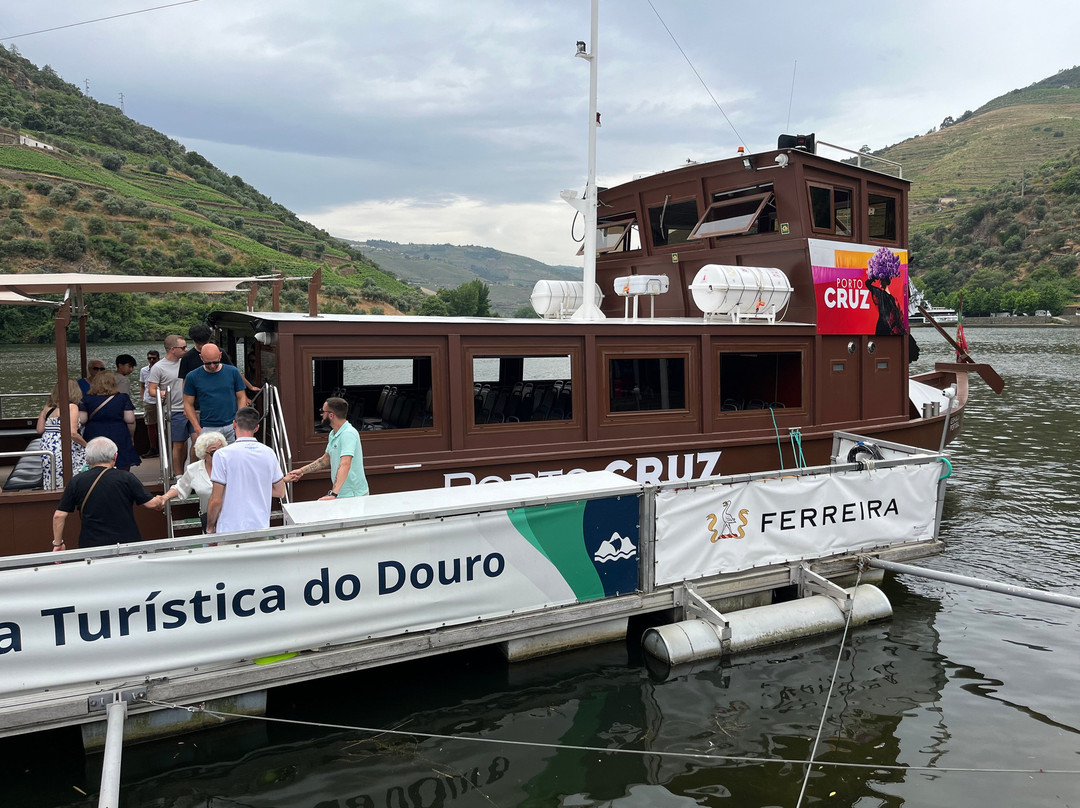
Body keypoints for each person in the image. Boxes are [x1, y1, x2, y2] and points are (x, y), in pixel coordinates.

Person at [51, 437, 164, 551]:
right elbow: (152, 504)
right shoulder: (126, 478)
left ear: (87, 459)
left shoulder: (76, 481)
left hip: (91, 545)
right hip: (127, 542)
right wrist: (162, 498)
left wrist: (58, 544)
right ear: (115, 456)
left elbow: (59, 515)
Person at [206, 407, 285, 534]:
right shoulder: (269, 453)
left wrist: (210, 527)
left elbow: (216, 499)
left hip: (229, 530)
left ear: (234, 424)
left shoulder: (222, 454)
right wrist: (255, 488)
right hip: (260, 527)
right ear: (257, 428)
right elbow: (280, 492)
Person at [284, 396, 369, 499]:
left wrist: (333, 494)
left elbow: (345, 464)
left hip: (354, 495)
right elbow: (325, 460)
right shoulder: (333, 433)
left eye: (322, 411)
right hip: (342, 494)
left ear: (331, 415)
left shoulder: (348, 434)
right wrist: (301, 471)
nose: (321, 414)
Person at [161, 430, 226, 531]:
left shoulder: (232, 466)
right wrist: (165, 497)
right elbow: (180, 487)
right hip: (209, 519)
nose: (219, 455)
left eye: (221, 450)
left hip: (232, 518)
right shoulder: (194, 469)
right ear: (203, 454)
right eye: (214, 452)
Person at [183, 344, 246, 444]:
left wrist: (239, 421)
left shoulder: (233, 372)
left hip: (232, 424)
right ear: (201, 357)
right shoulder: (192, 376)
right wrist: (197, 428)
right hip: (208, 426)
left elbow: (241, 397)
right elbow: (187, 403)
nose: (212, 366)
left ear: (220, 355)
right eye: (208, 363)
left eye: (215, 362)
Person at [80, 371, 140, 471]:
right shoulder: (122, 398)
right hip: (118, 432)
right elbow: (130, 420)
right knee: (122, 462)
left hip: (94, 432)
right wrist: (131, 436)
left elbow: (82, 420)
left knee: (95, 460)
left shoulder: (87, 399)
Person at [147, 334, 189, 473]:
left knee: (194, 442)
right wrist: (162, 393)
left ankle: (188, 472)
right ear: (172, 349)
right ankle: (178, 475)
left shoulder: (186, 362)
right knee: (178, 444)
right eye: (183, 347)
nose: (186, 349)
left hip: (190, 408)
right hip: (174, 409)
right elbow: (151, 390)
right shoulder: (158, 367)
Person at [36, 380, 88, 490]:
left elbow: (40, 429)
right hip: (63, 445)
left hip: (47, 445)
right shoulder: (72, 407)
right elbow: (72, 433)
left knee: (51, 474)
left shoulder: (47, 407)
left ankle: (51, 493)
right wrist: (87, 445)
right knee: (71, 472)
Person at [140, 349, 160, 458]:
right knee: (150, 425)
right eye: (149, 358)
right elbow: (142, 385)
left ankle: (166, 448)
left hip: (162, 401)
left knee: (165, 425)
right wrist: (142, 398)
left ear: (158, 358)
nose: (151, 360)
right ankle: (153, 448)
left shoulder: (161, 369)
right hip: (149, 401)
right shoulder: (144, 370)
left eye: (154, 358)